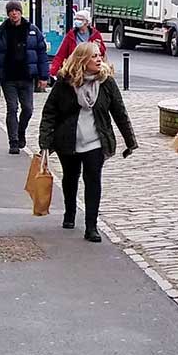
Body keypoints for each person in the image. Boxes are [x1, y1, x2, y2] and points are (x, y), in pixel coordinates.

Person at [35, 42, 137, 243]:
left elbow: (119, 111)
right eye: (94, 56)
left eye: (99, 55)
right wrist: (45, 141)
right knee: (70, 178)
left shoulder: (106, 82)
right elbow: (50, 112)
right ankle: (70, 212)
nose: (99, 59)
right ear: (82, 60)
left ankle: (91, 226)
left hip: (95, 141)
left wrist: (129, 141)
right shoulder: (66, 82)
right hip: (68, 140)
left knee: (93, 181)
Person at [0, 1, 51, 153]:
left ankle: (21, 131)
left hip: (26, 76)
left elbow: (41, 54)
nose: (14, 13)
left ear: (21, 12)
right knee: (12, 108)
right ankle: (13, 141)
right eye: (11, 11)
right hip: (8, 77)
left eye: (16, 10)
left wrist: (43, 76)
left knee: (28, 109)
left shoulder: (32, 31)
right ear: (8, 14)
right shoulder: (0, 32)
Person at [49, 9, 107, 79]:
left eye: (80, 19)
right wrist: (53, 71)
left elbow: (102, 53)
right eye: (76, 19)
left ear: (87, 22)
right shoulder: (71, 35)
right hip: (74, 71)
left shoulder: (95, 34)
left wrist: (98, 47)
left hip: (90, 71)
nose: (77, 21)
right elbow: (61, 55)